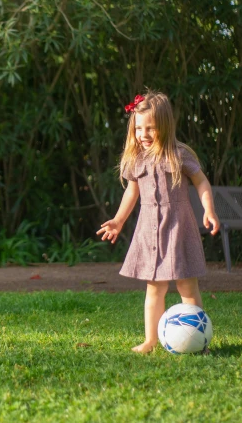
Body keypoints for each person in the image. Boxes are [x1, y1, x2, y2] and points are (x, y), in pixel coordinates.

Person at [96, 91, 220, 353]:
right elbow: (132, 191)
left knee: (187, 285)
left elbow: (201, 181)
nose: (144, 134)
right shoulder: (136, 158)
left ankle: (198, 340)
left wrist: (208, 210)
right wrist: (118, 221)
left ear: (165, 126)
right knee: (154, 288)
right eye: (139, 128)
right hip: (150, 230)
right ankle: (151, 340)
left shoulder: (179, 154)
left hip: (178, 226)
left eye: (150, 128)